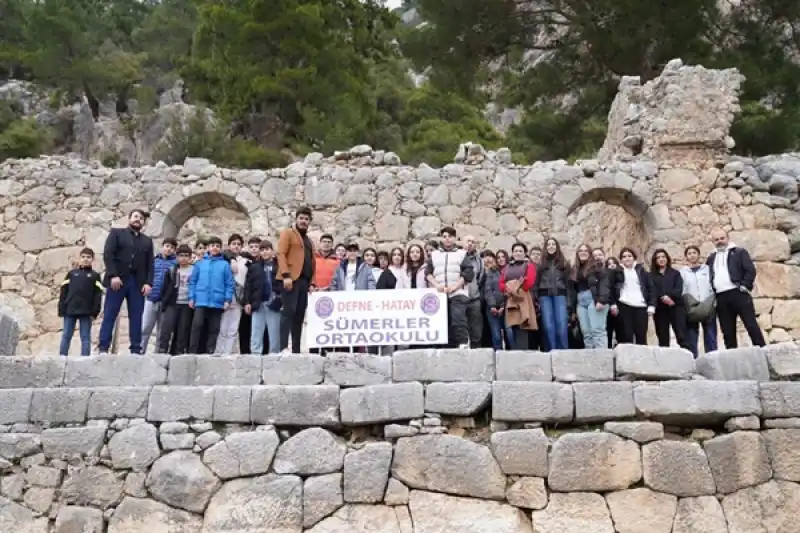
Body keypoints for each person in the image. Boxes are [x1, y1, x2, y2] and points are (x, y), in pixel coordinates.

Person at [98, 209, 154, 355]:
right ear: (129, 218)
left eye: (141, 218)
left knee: (136, 316)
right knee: (110, 313)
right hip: (118, 280)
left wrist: (148, 283)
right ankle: (103, 347)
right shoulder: (117, 234)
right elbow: (108, 255)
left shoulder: (147, 241)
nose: (138, 220)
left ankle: (135, 349)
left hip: (137, 283)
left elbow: (150, 265)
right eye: (135, 216)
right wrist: (113, 275)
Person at [706, 229, 765, 348]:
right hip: (721, 296)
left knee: (751, 325)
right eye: (716, 239)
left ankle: (763, 351)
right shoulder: (711, 258)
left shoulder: (739, 252)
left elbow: (750, 270)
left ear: (727, 238)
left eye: (722, 238)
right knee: (727, 331)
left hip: (738, 293)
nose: (720, 241)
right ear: (713, 242)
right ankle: (732, 359)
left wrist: (745, 285)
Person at [425, 227, 474, 348]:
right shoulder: (435, 255)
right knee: (442, 322)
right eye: (445, 236)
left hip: (458, 293)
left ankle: (463, 343)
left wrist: (455, 286)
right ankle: (445, 347)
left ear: (454, 238)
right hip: (440, 294)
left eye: (450, 236)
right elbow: (428, 273)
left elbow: (468, 273)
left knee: (458, 319)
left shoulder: (462, 254)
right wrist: (437, 285)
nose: (447, 239)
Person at [277, 207, 315, 353]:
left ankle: (296, 349)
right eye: (301, 218)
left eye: (306, 219)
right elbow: (281, 253)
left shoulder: (309, 241)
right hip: (291, 280)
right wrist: (286, 275)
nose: (304, 221)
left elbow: (312, 262)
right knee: (288, 313)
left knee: (299, 316)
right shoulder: (287, 233)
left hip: (304, 282)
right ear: (296, 219)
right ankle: (283, 348)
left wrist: (312, 282)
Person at [188, 236, 235, 354]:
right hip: (201, 300)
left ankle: (210, 351)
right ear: (208, 248)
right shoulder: (199, 264)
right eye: (212, 246)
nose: (215, 248)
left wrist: (227, 300)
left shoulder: (225, 265)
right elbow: (193, 282)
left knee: (214, 328)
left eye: (218, 246)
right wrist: (191, 297)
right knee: (197, 325)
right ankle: (192, 351)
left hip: (217, 301)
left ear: (221, 248)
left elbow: (229, 284)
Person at [58, 248, 103, 356]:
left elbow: (98, 295)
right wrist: (61, 307)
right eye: (83, 257)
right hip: (70, 309)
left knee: (85, 337)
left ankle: (85, 359)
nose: (85, 259)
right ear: (79, 259)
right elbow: (64, 291)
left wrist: (95, 311)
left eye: (88, 257)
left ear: (93, 260)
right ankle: (62, 357)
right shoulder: (71, 274)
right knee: (66, 335)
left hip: (86, 311)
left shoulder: (95, 276)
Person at [244, 241, 282, 354]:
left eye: (267, 249)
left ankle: (274, 358)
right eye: (262, 250)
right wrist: (247, 302)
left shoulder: (279, 266)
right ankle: (255, 357)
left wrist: (281, 300)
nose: (264, 252)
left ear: (272, 251)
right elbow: (248, 286)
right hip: (258, 304)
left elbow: (283, 285)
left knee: (274, 335)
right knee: (256, 333)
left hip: (274, 304)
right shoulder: (254, 267)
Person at [140, 237, 177, 354]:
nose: (169, 249)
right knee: (145, 328)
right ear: (162, 247)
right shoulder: (154, 261)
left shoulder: (175, 264)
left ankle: (158, 355)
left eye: (172, 247)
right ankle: (140, 351)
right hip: (151, 298)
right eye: (167, 246)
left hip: (166, 302)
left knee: (162, 331)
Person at [611, 247, 655, 345]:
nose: (627, 258)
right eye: (624, 256)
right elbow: (612, 288)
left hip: (641, 306)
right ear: (621, 259)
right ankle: (627, 359)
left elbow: (651, 289)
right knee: (626, 335)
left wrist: (652, 305)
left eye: (629, 256)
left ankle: (643, 359)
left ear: (634, 258)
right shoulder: (617, 272)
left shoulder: (642, 271)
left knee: (641, 335)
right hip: (624, 305)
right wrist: (613, 304)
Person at [156, 244, 194, 355]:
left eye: (186, 255)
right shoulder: (172, 270)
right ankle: (162, 351)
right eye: (181, 255)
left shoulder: (195, 270)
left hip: (187, 304)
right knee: (166, 328)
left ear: (190, 257)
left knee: (182, 330)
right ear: (177, 257)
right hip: (172, 303)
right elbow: (165, 287)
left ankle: (178, 352)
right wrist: (164, 301)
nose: (183, 258)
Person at [650, 248, 691, 350]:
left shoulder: (675, 273)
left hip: (676, 306)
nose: (661, 259)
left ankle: (688, 359)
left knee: (682, 335)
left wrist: (670, 297)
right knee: (663, 337)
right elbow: (652, 290)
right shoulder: (651, 276)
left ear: (667, 258)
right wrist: (663, 298)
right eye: (658, 257)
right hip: (660, 309)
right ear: (655, 260)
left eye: (663, 257)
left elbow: (679, 288)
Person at [680, 245, 717, 356]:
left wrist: (713, 301)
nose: (692, 255)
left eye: (694, 253)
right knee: (691, 337)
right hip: (692, 307)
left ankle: (712, 360)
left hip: (708, 305)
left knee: (710, 336)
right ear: (686, 257)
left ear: (698, 254)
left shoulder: (707, 269)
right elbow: (682, 289)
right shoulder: (683, 272)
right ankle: (693, 361)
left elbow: (712, 284)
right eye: (689, 253)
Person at [572, 244, 611, 349]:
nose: (583, 252)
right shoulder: (575, 269)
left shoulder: (596, 266)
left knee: (597, 330)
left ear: (590, 254)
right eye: (580, 250)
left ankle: (602, 359)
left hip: (594, 299)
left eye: (586, 251)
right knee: (586, 333)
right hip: (581, 301)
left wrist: (602, 300)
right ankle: (591, 360)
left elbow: (605, 283)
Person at [535, 237, 571, 351]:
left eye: (553, 244)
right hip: (544, 297)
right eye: (548, 244)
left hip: (560, 296)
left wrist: (569, 302)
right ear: (545, 248)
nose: (551, 246)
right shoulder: (540, 265)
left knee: (561, 325)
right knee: (548, 326)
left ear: (557, 247)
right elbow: (536, 283)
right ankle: (552, 351)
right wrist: (536, 299)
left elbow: (568, 284)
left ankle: (563, 352)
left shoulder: (564, 263)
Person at [499, 242, 537, 349]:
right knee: (513, 326)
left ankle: (522, 352)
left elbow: (529, 282)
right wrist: (509, 290)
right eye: (516, 251)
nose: (518, 253)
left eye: (520, 251)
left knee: (523, 325)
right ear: (512, 253)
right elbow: (501, 283)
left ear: (525, 253)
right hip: (511, 298)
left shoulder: (529, 266)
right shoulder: (507, 267)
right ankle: (516, 351)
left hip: (523, 298)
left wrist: (515, 290)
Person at [216, 234, 248, 354]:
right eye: (234, 244)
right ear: (229, 245)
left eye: (238, 244)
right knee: (222, 327)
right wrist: (231, 259)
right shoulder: (223, 258)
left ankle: (228, 352)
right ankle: (219, 351)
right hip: (224, 298)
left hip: (238, 298)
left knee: (233, 328)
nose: (236, 246)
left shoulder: (245, 261)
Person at [238, 236, 262, 354]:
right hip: (246, 298)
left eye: (256, 247)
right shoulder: (243, 260)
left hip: (260, 299)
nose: (254, 249)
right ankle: (245, 352)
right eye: (251, 247)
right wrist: (246, 301)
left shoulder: (265, 262)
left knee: (260, 328)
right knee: (245, 327)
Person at [482, 251, 507, 350]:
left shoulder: (510, 271)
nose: (501, 259)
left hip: (506, 307)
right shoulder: (491, 272)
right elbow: (488, 289)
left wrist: (502, 306)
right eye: (498, 257)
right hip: (492, 308)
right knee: (496, 335)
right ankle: (497, 357)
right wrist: (492, 305)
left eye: (503, 256)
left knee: (509, 334)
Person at [462, 235, 484, 348]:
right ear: (462, 243)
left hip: (474, 299)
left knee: (476, 330)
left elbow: (480, 278)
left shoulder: (479, 260)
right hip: (459, 299)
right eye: (468, 241)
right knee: (460, 329)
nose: (470, 244)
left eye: (473, 242)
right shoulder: (457, 257)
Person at [605, 256, 624, 348]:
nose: (611, 265)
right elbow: (609, 290)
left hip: (622, 304)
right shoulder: (607, 276)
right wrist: (612, 304)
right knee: (609, 330)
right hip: (610, 304)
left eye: (613, 263)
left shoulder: (622, 273)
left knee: (621, 331)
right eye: (609, 264)